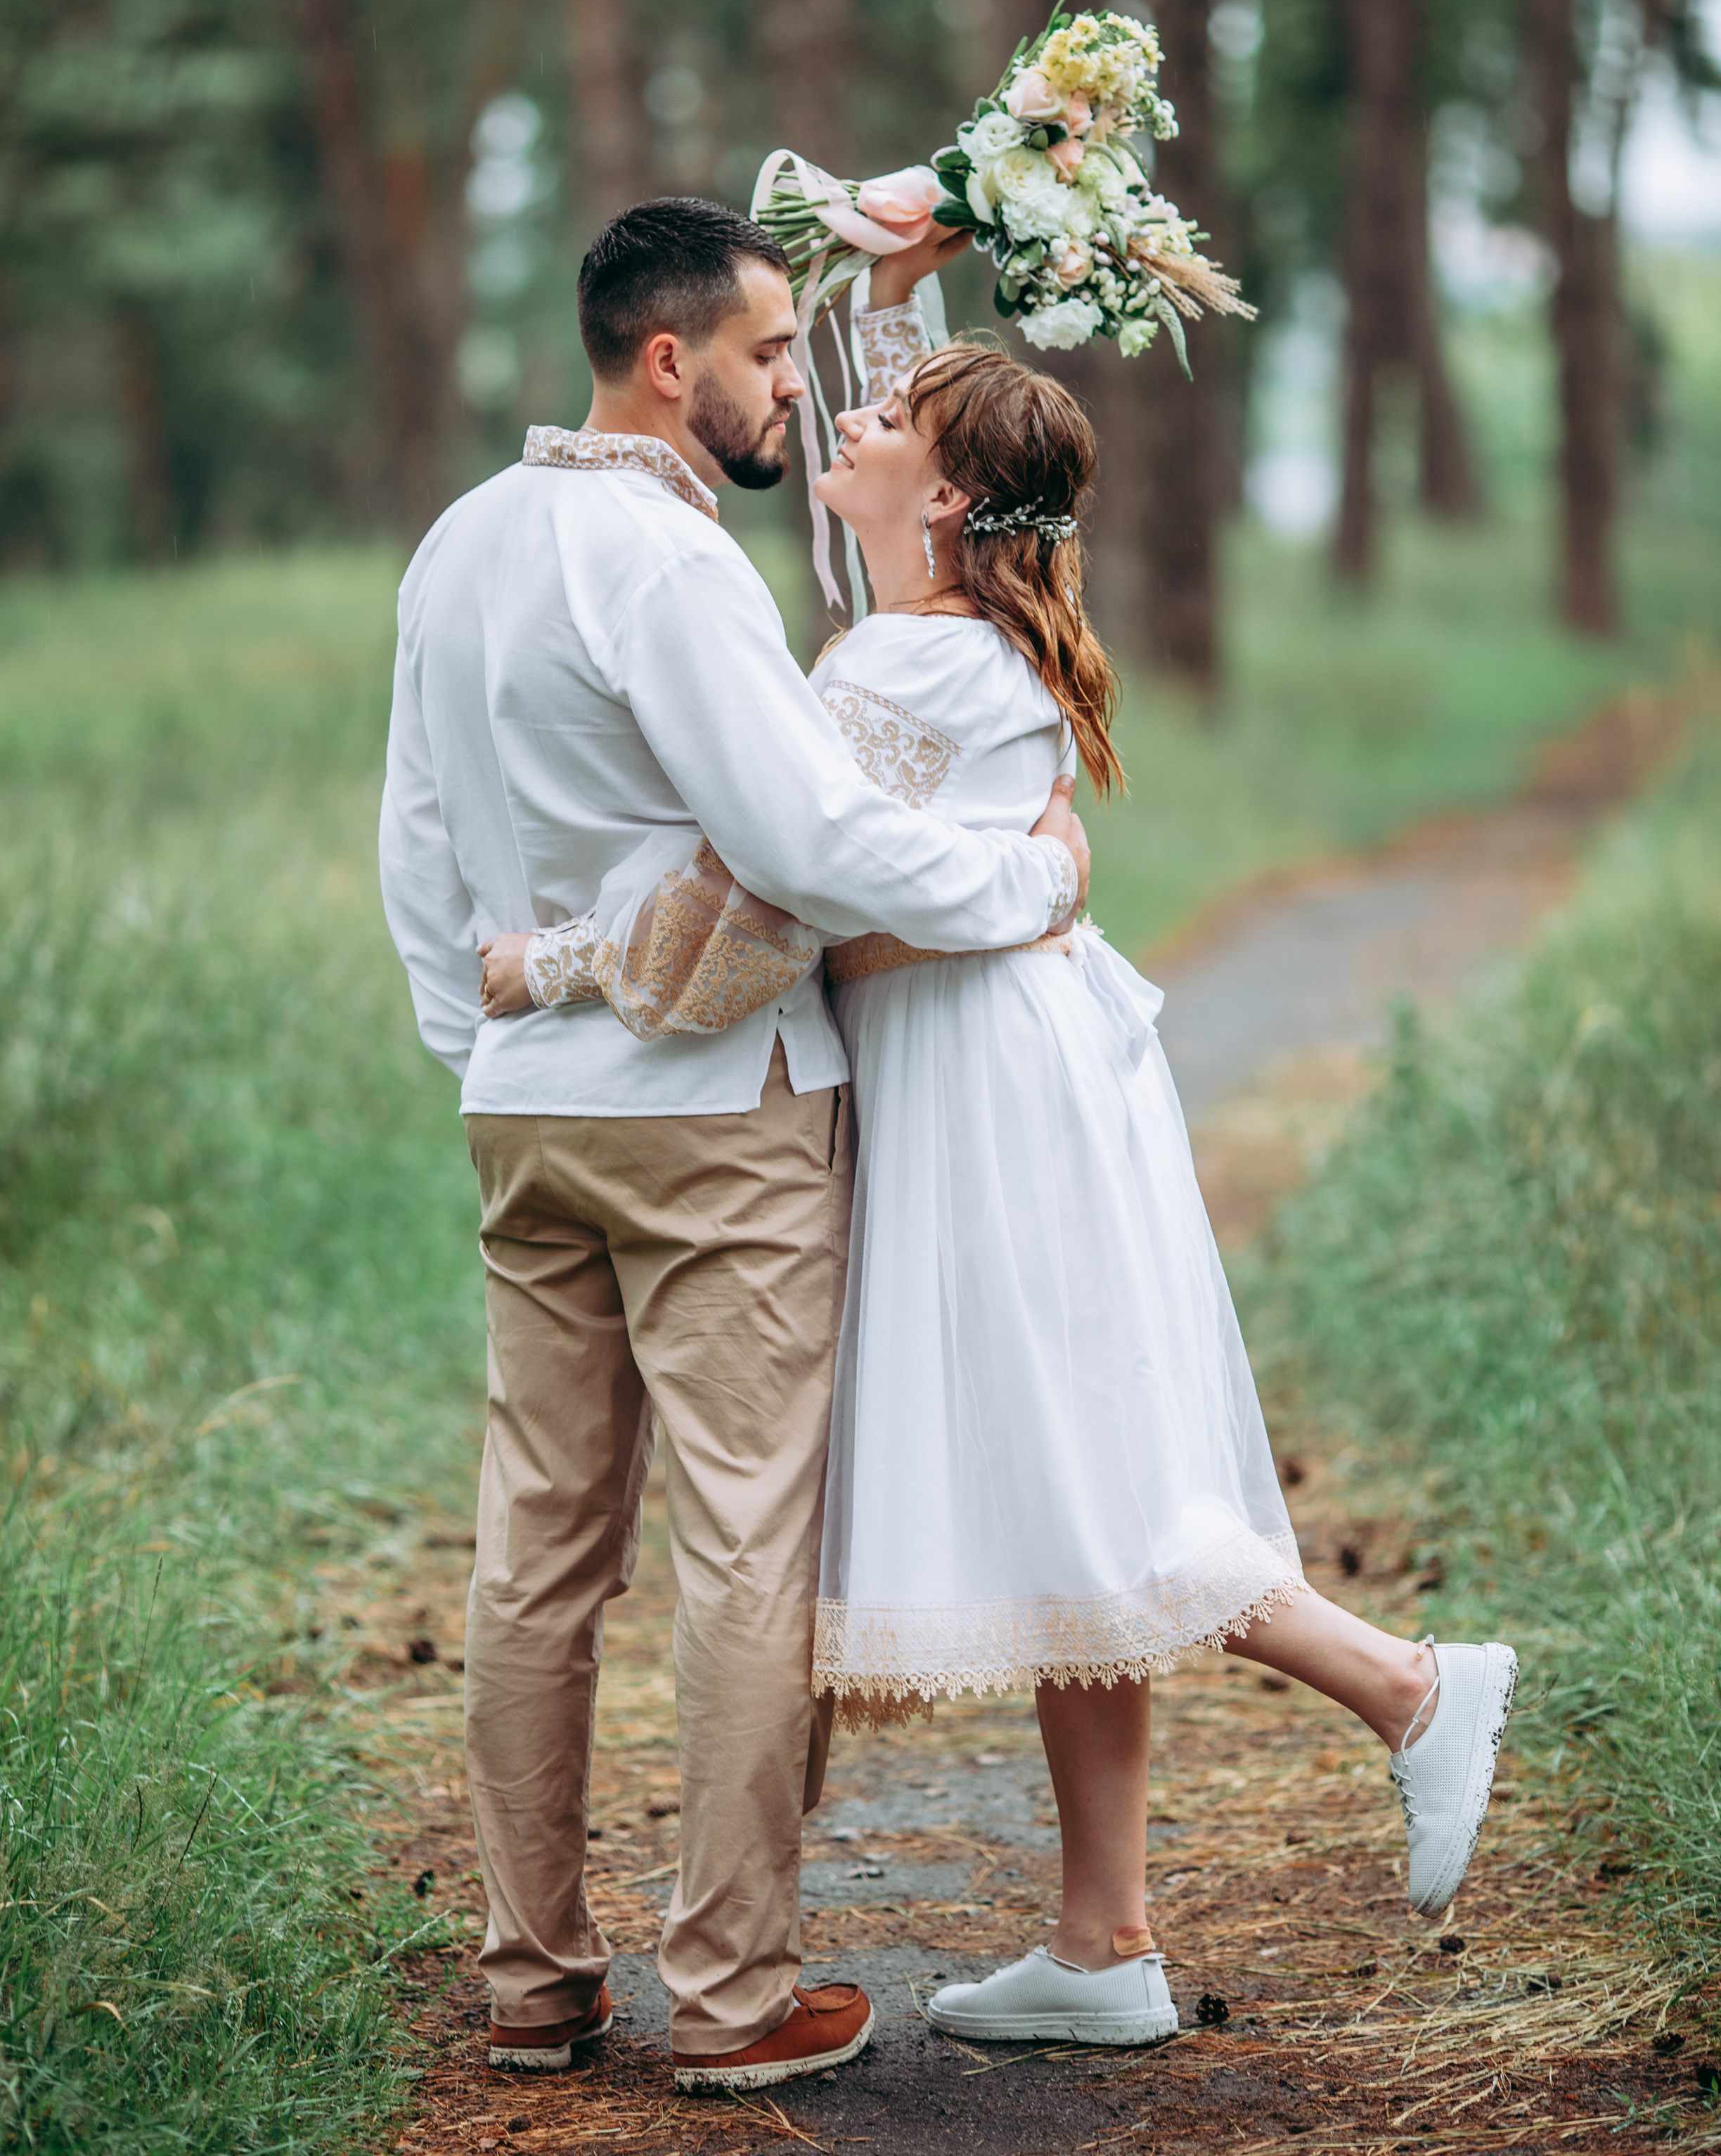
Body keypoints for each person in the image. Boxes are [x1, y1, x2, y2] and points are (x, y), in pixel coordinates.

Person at [489, 304, 1519, 2054]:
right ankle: (1103, 1941)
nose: (843, 406)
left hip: (981, 1078)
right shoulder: (927, 631)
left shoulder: (902, 666)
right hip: (1005, 1053)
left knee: (1080, 1471)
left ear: (951, 496)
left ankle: (1408, 1687)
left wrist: (553, 963)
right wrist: (912, 244)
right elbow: (902, 445)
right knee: (1069, 1475)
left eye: (886, 409)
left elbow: (768, 895)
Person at [377, 199, 1089, 2094]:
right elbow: (807, 846)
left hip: (528, 1116)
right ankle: (736, 1994)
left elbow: (418, 846)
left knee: (535, 1554)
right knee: (746, 1549)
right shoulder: (670, 569)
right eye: (778, 355)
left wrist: (490, 1050)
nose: (797, 385)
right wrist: (1019, 889)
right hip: (718, 1123)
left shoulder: (457, 545)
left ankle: (533, 1979)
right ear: (670, 361)